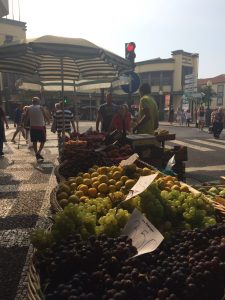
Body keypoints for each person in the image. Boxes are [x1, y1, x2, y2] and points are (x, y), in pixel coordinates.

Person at [26, 97, 50, 161]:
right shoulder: (41, 107)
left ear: (32, 101)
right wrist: (48, 121)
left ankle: (37, 153)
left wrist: (24, 124)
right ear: (37, 101)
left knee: (34, 141)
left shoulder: (29, 108)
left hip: (32, 127)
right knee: (43, 140)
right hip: (41, 127)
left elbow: (26, 117)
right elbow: (45, 115)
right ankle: (38, 152)